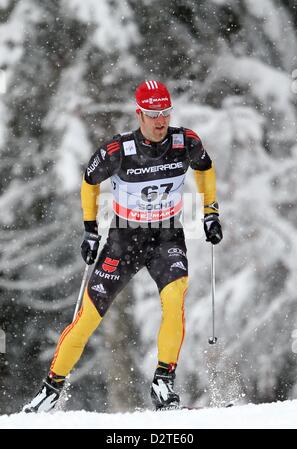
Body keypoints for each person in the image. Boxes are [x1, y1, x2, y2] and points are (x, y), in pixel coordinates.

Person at [23, 80, 223, 413]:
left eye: (165, 113)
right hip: (124, 239)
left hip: (167, 235)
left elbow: (205, 168)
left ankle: (163, 381)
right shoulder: (119, 151)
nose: (160, 121)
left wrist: (210, 213)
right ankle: (51, 389)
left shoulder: (185, 142)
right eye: (153, 113)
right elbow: (89, 181)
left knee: (175, 300)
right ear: (139, 114)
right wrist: (90, 230)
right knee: (88, 318)